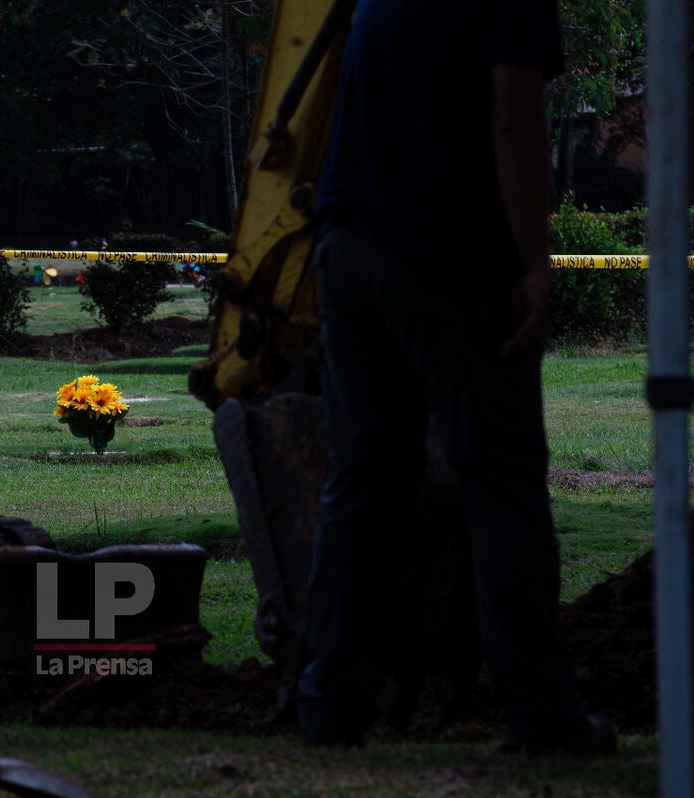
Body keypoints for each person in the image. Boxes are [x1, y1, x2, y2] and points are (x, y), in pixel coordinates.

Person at [295, 0, 615, 753]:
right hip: (447, 257)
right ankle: (539, 713)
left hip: (349, 249)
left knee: (364, 481)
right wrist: (534, 260)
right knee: (502, 485)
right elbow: (515, 121)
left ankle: (331, 705)